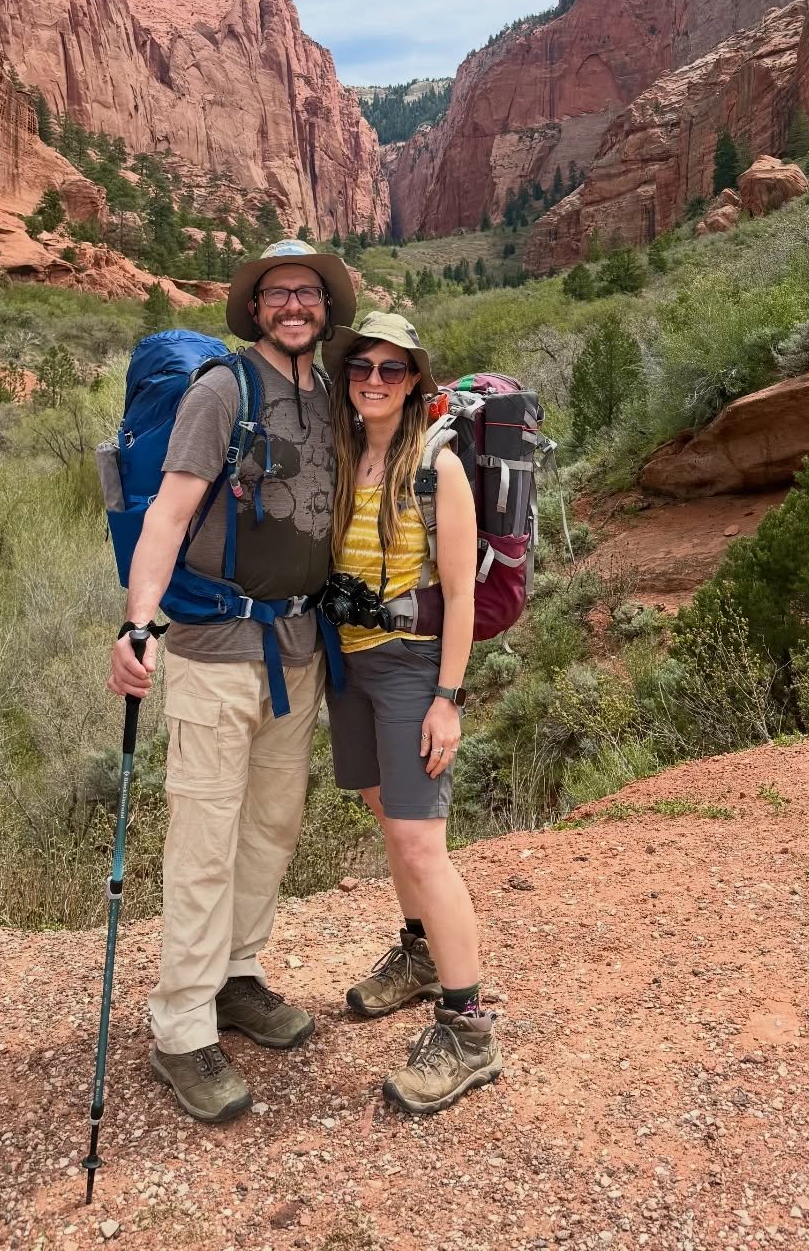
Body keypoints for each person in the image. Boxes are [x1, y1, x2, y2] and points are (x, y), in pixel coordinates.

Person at [107, 238, 356, 1124]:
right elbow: (170, 514)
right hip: (215, 652)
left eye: (309, 294)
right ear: (255, 309)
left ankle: (237, 978)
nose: (296, 305)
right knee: (204, 841)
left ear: (326, 308)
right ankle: (179, 1029)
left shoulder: (329, 394)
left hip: (297, 652)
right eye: (279, 294)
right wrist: (138, 624)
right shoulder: (223, 391)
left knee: (270, 831)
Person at [319, 311, 501, 1115]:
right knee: (386, 816)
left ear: (415, 381)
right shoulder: (341, 454)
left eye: (393, 370)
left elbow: (460, 593)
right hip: (348, 663)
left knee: (423, 843)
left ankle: (467, 1029)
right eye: (363, 367)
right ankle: (422, 953)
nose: (375, 381)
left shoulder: (437, 465)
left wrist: (448, 700)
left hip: (411, 668)